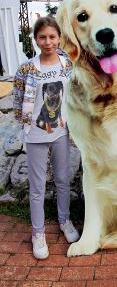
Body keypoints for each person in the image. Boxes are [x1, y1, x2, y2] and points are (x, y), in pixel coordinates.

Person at [13, 16, 79, 259]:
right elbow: (19, 102)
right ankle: (38, 232)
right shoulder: (27, 68)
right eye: (42, 37)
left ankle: (64, 220)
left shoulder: (67, 64)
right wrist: (26, 127)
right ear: (36, 39)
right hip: (36, 136)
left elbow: (75, 94)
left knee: (63, 180)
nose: (48, 42)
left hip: (61, 134)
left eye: (52, 36)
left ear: (59, 38)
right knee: (37, 187)